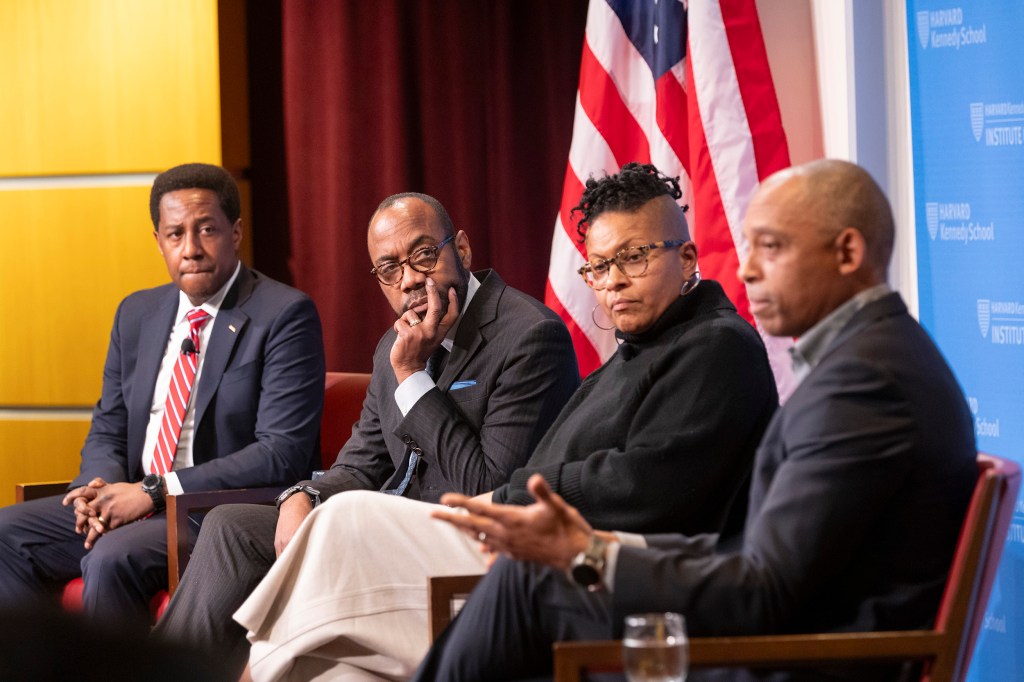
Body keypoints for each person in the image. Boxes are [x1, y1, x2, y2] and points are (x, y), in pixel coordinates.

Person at [415, 159, 979, 682]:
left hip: (799, 660)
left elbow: (764, 590)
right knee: (534, 576)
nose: (748, 269)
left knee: (530, 581)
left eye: (771, 247)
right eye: (749, 247)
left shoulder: (867, 383)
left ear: (848, 252)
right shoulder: (870, 358)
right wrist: (591, 549)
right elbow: (756, 557)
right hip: (784, 640)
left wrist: (590, 555)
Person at [231, 163, 779, 681]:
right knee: (333, 667)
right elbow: (363, 460)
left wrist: (505, 506)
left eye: (634, 257)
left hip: (592, 569)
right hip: (520, 539)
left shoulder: (716, 346)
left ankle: (249, 670)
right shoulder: (641, 348)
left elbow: (646, 485)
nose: (612, 282)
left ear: (686, 258)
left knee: (343, 520)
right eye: (599, 266)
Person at [153, 192, 581, 674]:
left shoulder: (528, 337)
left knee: (343, 521)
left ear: (461, 249)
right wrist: (304, 494)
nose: (411, 280)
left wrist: (414, 378)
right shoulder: (393, 346)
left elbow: (488, 486)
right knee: (230, 525)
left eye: (424, 255)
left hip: (459, 545)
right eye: (389, 268)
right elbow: (361, 464)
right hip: (379, 531)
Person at [0, 163, 326, 629]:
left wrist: (154, 491)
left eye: (206, 230)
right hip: (132, 498)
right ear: (158, 241)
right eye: (175, 235)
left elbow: (281, 454)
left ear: (235, 232)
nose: (190, 250)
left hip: (210, 511)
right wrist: (96, 489)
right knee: (5, 533)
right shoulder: (136, 313)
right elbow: (109, 424)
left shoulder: (283, 314)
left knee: (111, 559)